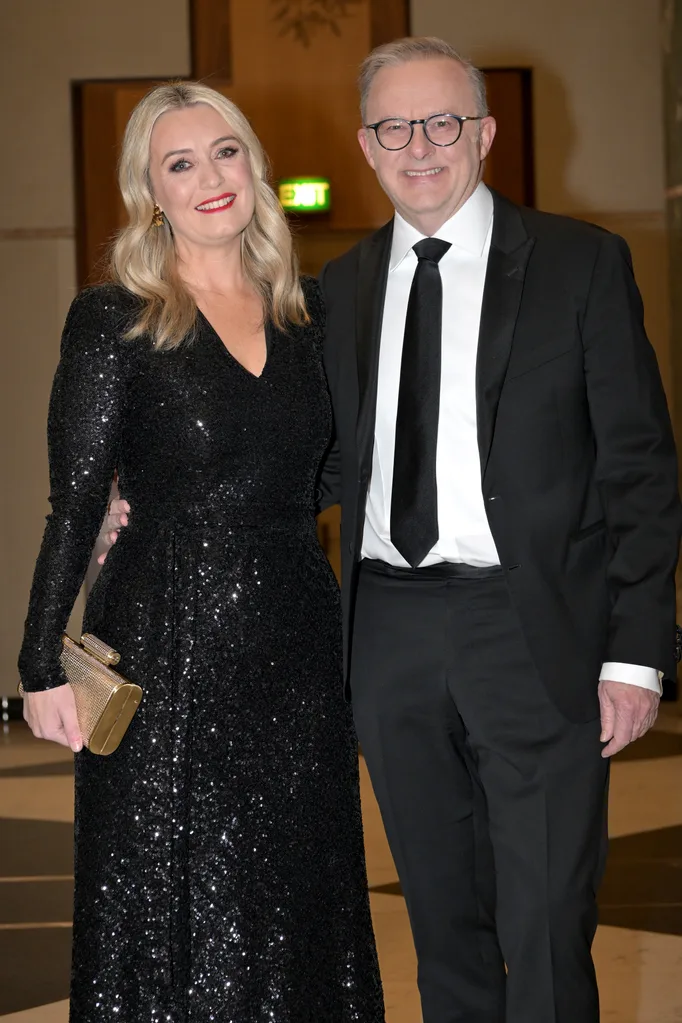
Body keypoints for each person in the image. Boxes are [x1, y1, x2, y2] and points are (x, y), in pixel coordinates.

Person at [102, 37, 681, 1023]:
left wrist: (636, 655)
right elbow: (312, 462)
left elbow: (639, 468)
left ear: (483, 134)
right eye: (394, 127)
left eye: (442, 122)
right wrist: (159, 500)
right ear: (366, 146)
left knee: (546, 921)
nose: (419, 147)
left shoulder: (580, 264)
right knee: (441, 920)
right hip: (387, 634)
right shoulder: (341, 288)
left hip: (532, 628)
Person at [18, 82, 384, 1023]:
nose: (210, 177)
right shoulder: (117, 317)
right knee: (171, 896)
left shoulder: (308, 313)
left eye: (225, 152)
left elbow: (329, 469)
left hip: (297, 640)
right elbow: (75, 501)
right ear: (151, 191)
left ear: (253, 165)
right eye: (179, 163)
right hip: (164, 640)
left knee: (296, 886)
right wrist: (39, 662)